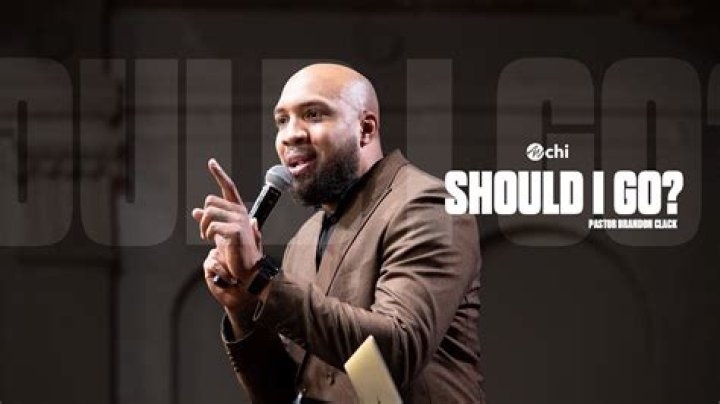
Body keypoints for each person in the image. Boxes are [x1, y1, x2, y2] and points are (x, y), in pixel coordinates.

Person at [191, 63, 484, 403]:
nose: (290, 134)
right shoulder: (305, 238)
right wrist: (243, 306)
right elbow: (281, 394)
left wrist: (261, 277)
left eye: (313, 114)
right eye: (282, 120)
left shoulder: (427, 205)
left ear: (365, 128)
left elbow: (397, 350)